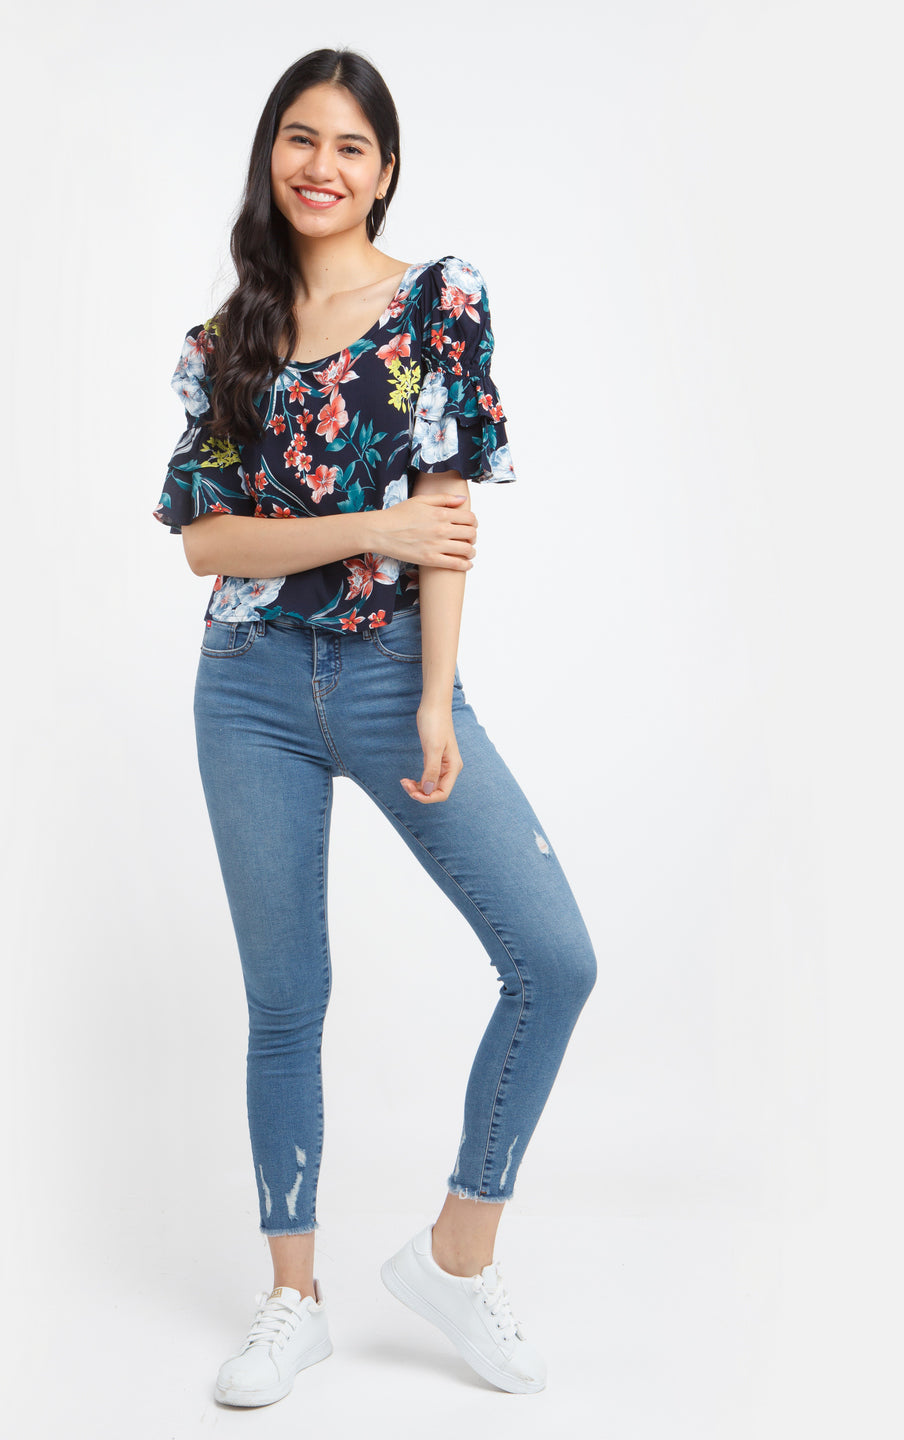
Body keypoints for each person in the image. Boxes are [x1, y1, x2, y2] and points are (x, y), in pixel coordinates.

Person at [152, 47, 598, 1407]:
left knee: (553, 958)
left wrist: (433, 691)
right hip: (246, 685)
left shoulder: (438, 303)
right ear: (270, 155)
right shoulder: (222, 343)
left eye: (350, 145)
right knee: (287, 1001)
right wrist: (371, 528)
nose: (322, 166)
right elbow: (207, 543)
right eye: (300, 138)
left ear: (384, 169)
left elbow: (445, 521)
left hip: (393, 673)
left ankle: (457, 1254)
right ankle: (292, 1300)